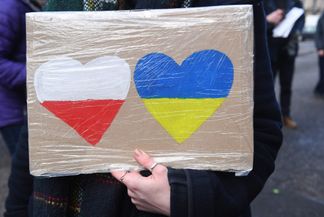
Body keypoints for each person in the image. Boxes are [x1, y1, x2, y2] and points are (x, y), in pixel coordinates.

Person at [28, 1, 283, 217]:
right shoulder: (64, 5)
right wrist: (16, 208)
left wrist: (189, 198)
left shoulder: (222, 6)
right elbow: (41, 127)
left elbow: (261, 129)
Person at [0, 0, 42, 156]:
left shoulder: (29, 6)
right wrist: (38, 74)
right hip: (12, 111)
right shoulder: (8, 9)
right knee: (25, 170)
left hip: (25, 105)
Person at [264, 0, 305, 129]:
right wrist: (268, 21)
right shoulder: (264, 3)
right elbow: (257, 26)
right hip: (270, 51)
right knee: (267, 88)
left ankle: (286, 115)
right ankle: (266, 119)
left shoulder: (296, 3)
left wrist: (296, 33)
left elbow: (301, 22)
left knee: (286, 86)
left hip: (288, 51)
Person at [315, 11, 324, 99]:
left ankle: (320, 87)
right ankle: (320, 89)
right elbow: (318, 33)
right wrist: (320, 48)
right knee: (323, 73)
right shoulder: (323, 17)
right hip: (323, 51)